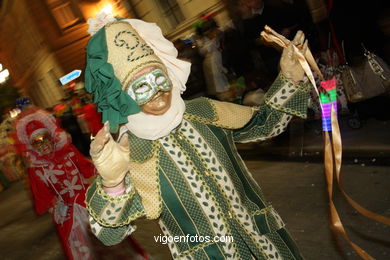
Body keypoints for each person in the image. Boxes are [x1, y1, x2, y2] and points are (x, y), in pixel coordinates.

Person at [84, 12, 309, 259]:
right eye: (141, 86)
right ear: (125, 96)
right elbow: (108, 234)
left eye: (159, 78)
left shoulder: (203, 111)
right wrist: (113, 184)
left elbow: (265, 124)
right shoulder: (131, 151)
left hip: (268, 246)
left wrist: (289, 78)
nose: (157, 91)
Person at [13, 107, 148, 260]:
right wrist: (55, 206)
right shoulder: (37, 170)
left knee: (113, 243)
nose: (43, 145)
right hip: (68, 215)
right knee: (83, 249)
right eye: (37, 143)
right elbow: (42, 197)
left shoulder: (69, 152)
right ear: (32, 147)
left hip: (89, 202)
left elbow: (89, 169)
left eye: (45, 139)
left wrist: (109, 170)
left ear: (52, 137)